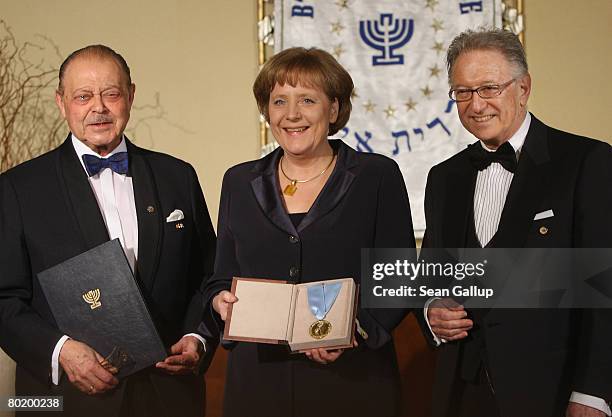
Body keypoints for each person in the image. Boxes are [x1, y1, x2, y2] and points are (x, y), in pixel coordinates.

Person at [0, 45, 217, 417]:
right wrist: (61, 351)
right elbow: (4, 298)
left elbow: (210, 277)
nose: (98, 107)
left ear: (130, 96)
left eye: (111, 94)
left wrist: (198, 339)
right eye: (83, 96)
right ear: (61, 102)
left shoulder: (177, 176)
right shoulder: (18, 188)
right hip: (65, 401)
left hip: (168, 396)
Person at [200, 47, 415, 417]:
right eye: (279, 100)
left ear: (333, 109)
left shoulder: (376, 175)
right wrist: (220, 301)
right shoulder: (238, 181)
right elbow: (222, 276)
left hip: (353, 381)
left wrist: (354, 331)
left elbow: (398, 275)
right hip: (258, 383)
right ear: (267, 111)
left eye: (307, 100)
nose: (292, 114)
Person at [418, 28, 612, 417]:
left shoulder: (586, 161)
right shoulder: (444, 176)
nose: (476, 105)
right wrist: (430, 311)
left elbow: (604, 285)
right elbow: (433, 273)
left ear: (523, 88)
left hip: (553, 390)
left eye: (489, 88)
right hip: (462, 389)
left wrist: (592, 393)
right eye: (463, 92)